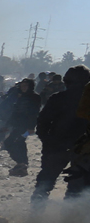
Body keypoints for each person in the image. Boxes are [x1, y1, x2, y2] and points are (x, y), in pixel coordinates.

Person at [33, 66, 90, 202]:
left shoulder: (58, 98)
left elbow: (42, 122)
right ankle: (68, 213)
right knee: (77, 187)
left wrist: (47, 141)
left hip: (57, 145)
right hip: (83, 149)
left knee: (45, 182)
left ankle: (36, 210)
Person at [0, 78, 42, 177]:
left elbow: (34, 113)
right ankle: (22, 164)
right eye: (22, 86)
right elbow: (16, 112)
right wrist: (7, 125)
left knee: (17, 142)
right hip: (18, 125)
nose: (23, 88)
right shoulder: (21, 97)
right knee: (13, 142)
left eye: (25, 86)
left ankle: (22, 164)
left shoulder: (35, 97)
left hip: (26, 126)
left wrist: (31, 127)